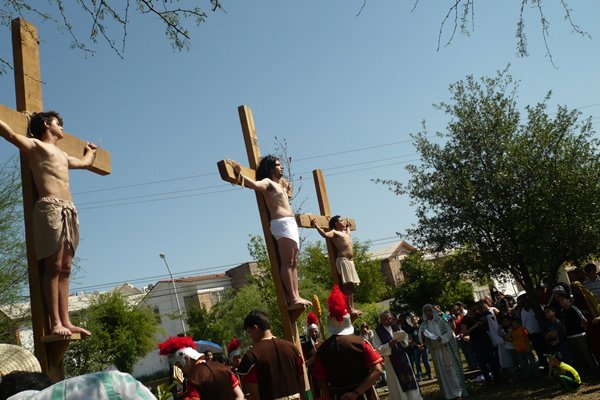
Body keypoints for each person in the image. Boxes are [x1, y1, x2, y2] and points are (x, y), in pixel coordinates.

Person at [0, 112, 97, 337]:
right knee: (52, 266)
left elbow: (84, 163)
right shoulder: (36, 146)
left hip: (69, 210)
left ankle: (67, 320)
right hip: (50, 208)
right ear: (46, 124)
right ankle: (55, 322)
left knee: (66, 268)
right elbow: (11, 134)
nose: (62, 128)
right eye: (58, 124)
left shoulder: (62, 155)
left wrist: (91, 152)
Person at [231, 156, 311, 308]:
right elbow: (255, 185)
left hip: (291, 223)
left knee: (294, 262)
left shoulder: (279, 185)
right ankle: (292, 297)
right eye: (278, 165)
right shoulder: (268, 182)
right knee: (287, 261)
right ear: (270, 168)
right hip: (281, 223)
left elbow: (281, 200)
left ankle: (297, 294)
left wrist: (286, 192)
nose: (281, 167)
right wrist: (239, 174)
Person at [313, 285, 383, 400]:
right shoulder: (361, 343)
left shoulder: (321, 351)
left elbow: (321, 380)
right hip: (363, 395)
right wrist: (356, 393)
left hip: (338, 396)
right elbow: (378, 370)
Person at [237, 310, 305, 400]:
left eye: (249, 332)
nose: (250, 336)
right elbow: (301, 381)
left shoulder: (252, 355)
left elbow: (254, 395)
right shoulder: (292, 348)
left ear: (256, 328)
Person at [158, 336, 244, 400]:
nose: (181, 371)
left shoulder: (194, 381)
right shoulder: (222, 367)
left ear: (187, 359)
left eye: (180, 367)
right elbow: (240, 396)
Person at [311, 215, 361, 315]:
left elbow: (348, 233)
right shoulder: (334, 232)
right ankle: (349, 308)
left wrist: (347, 226)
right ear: (336, 223)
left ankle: (352, 306)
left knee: (351, 285)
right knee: (347, 284)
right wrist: (316, 225)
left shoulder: (345, 233)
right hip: (343, 260)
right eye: (341, 221)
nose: (343, 222)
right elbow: (325, 235)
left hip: (350, 261)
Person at [419, 304, 468, 400]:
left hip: (446, 349)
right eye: (426, 311)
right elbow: (422, 339)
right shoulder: (424, 325)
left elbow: (449, 332)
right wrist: (423, 336)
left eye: (429, 310)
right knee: (443, 373)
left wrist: (441, 338)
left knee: (452, 371)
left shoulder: (441, 321)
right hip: (436, 351)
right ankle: (448, 394)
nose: (428, 312)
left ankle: (458, 393)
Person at [373, 310, 422, 400]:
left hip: (403, 357)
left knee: (410, 380)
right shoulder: (377, 332)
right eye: (385, 319)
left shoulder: (396, 327)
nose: (388, 321)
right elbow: (377, 349)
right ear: (381, 320)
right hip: (391, 361)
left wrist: (403, 339)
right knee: (397, 384)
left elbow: (405, 340)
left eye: (390, 319)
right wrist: (388, 345)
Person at [555, 292, 599, 376]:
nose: (561, 302)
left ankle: (595, 371)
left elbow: (583, 320)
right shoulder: (562, 312)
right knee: (578, 356)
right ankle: (585, 373)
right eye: (559, 301)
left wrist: (584, 331)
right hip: (570, 337)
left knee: (587, 354)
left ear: (568, 300)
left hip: (579, 335)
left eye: (562, 300)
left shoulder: (573, 308)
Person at [461, 301, 500, 383]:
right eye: (473, 308)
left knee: (491, 358)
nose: (475, 309)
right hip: (476, 340)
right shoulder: (465, 319)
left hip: (485, 337)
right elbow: (465, 332)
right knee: (482, 361)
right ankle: (487, 379)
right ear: (468, 308)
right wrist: (475, 326)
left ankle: (497, 377)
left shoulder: (479, 315)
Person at [405, 315, 431, 382]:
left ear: (417, 319)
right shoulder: (410, 329)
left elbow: (426, 336)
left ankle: (429, 375)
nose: (413, 321)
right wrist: (418, 346)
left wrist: (423, 344)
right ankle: (419, 377)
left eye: (414, 319)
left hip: (424, 346)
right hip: (416, 348)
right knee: (417, 362)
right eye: (412, 320)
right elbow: (411, 339)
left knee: (426, 361)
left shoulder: (422, 327)